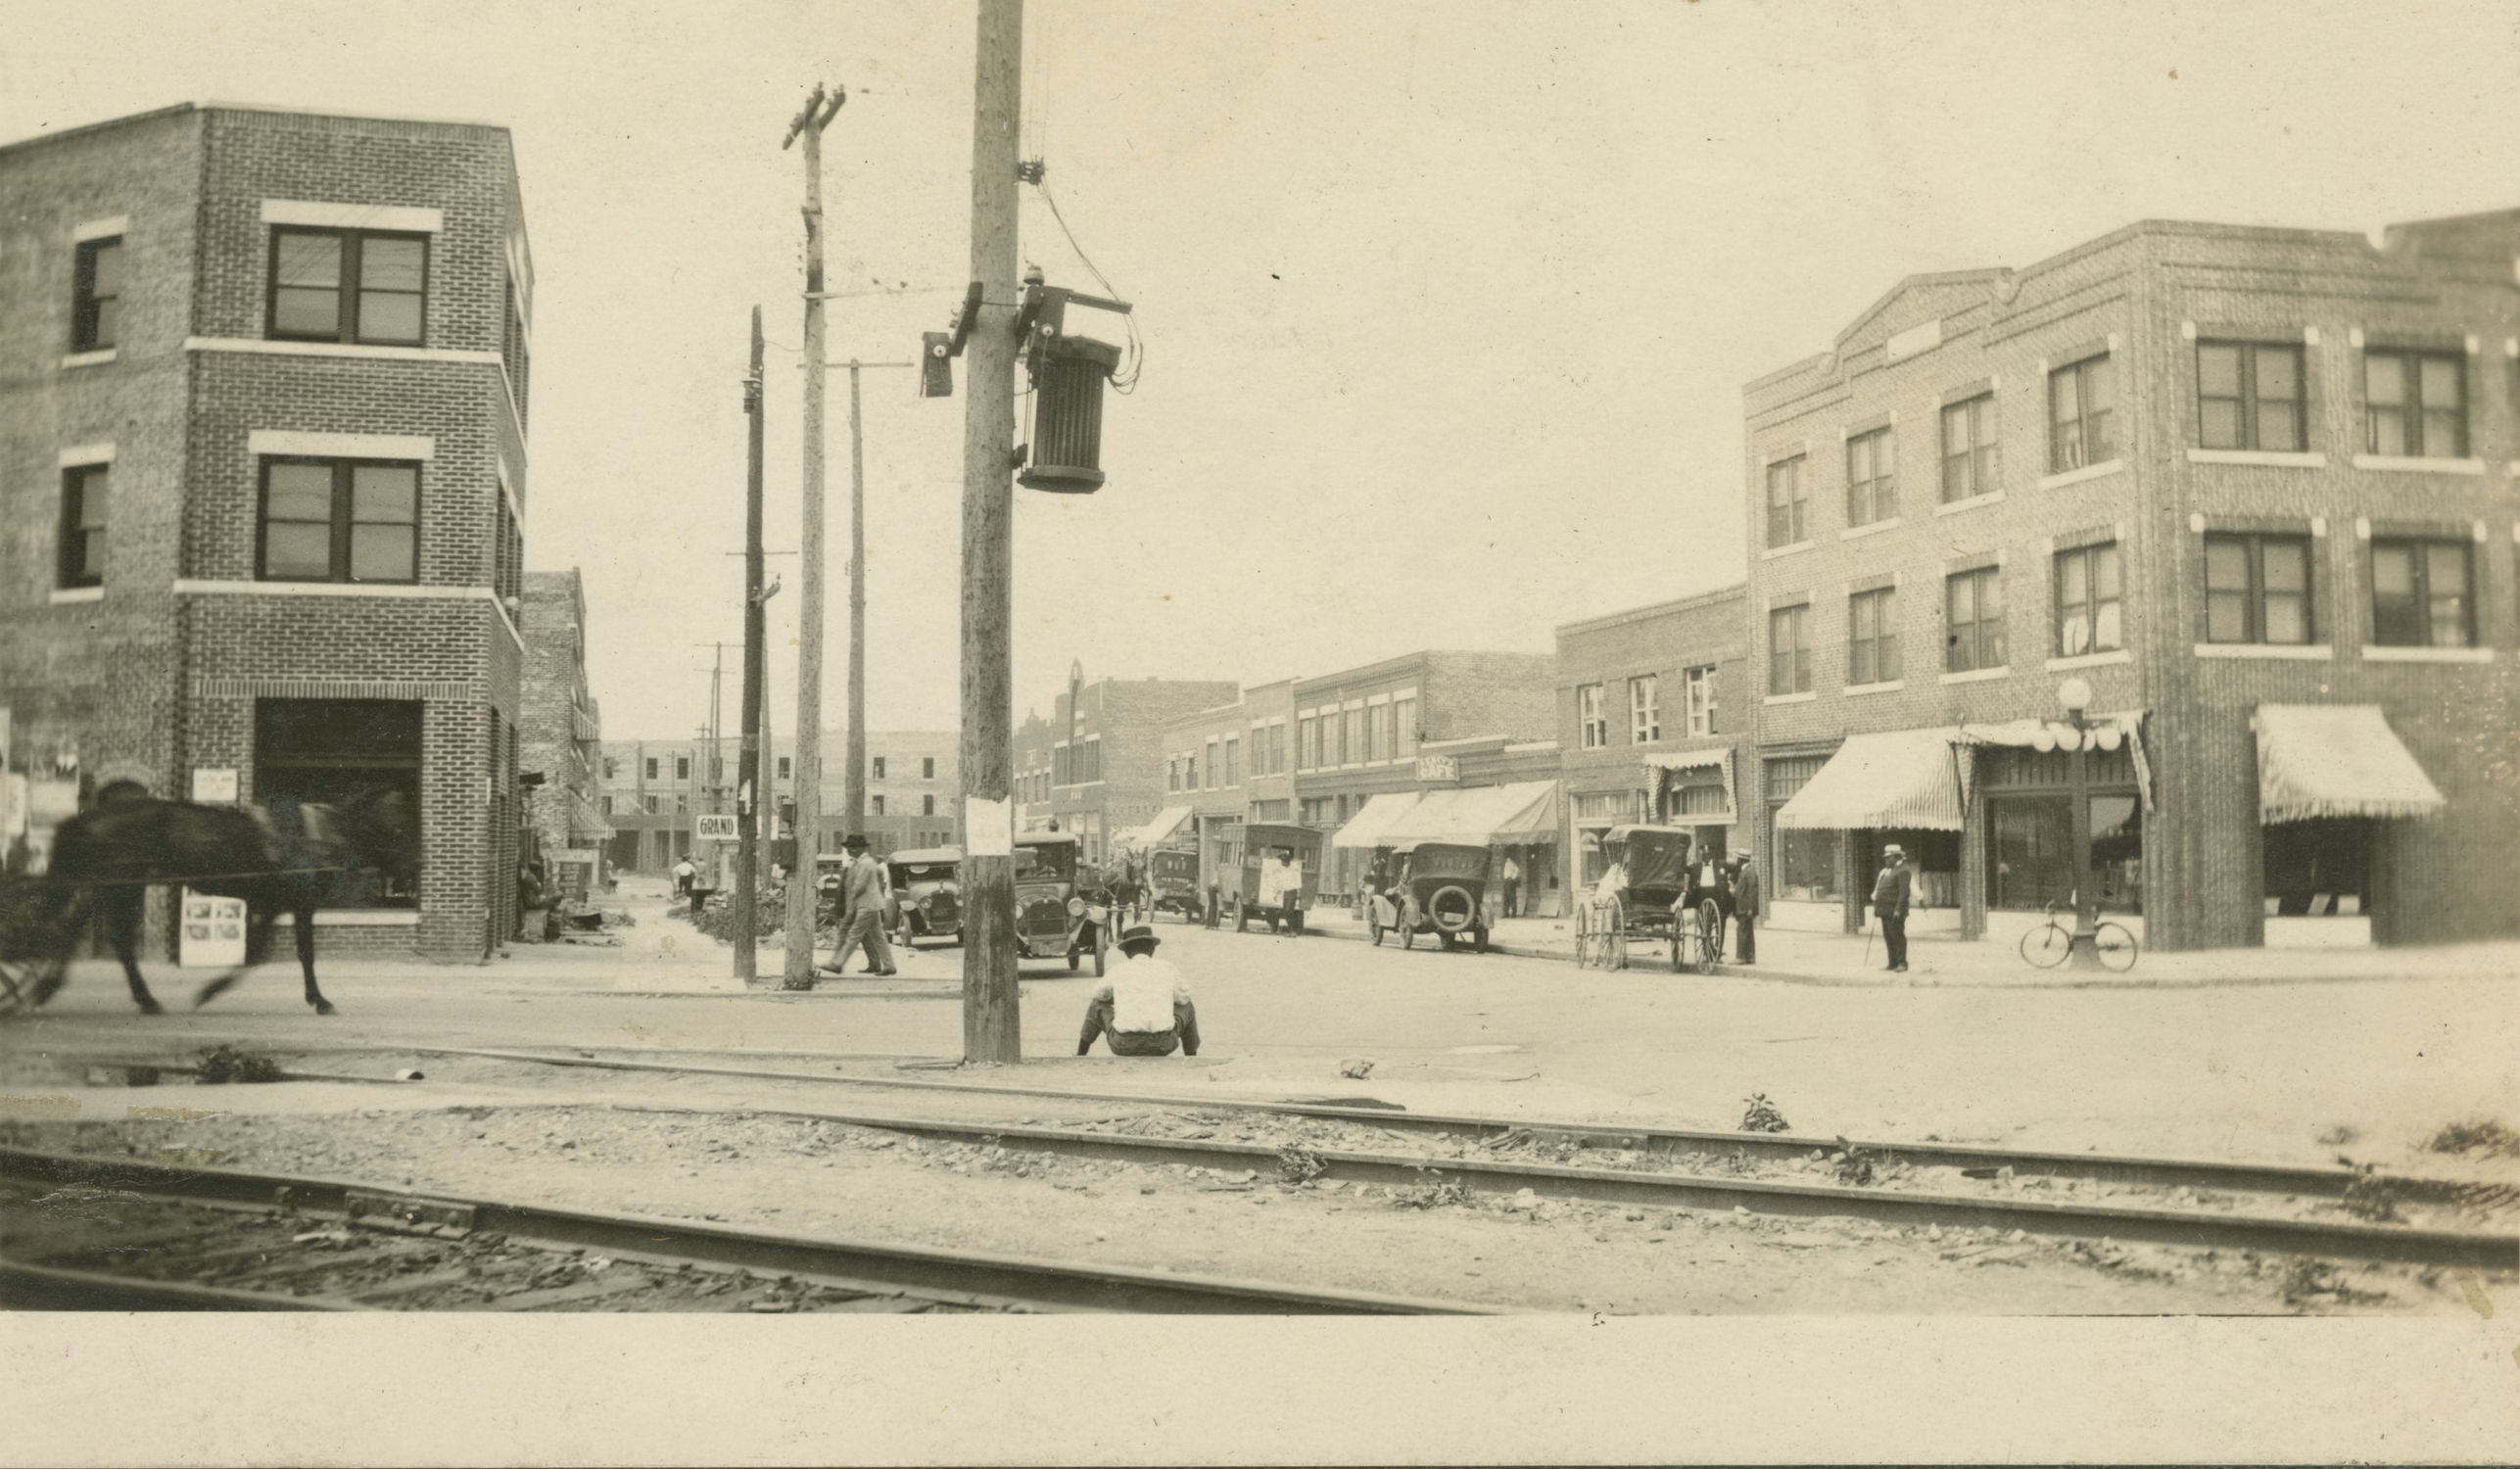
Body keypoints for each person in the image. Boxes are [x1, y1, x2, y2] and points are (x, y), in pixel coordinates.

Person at [1076, 924, 1201, 1057]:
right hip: (1164, 1044)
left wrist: (1117, 996)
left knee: (1097, 1004)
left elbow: (1099, 994)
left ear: (1127, 952)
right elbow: (1184, 997)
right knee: (1187, 1005)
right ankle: (1191, 1056)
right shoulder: (1167, 967)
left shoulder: (1118, 970)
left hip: (1124, 1045)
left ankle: (1080, 1054)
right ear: (1152, 950)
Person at [820, 834, 897, 977]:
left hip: (866, 905)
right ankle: (889, 965)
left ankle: (837, 964)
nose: (849, 850)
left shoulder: (866, 863)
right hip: (869, 904)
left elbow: (859, 885)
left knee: (854, 934)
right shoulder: (859, 863)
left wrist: (851, 901)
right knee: (878, 936)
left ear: (861, 848)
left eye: (853, 847)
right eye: (848, 847)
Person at [1871, 844, 1913, 973]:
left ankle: (1902, 963)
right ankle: (1892, 962)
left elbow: (1903, 893)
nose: (1886, 860)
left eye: (1889, 858)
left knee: (1897, 937)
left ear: (1896, 857)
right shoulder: (1887, 871)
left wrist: (1898, 910)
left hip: (1895, 911)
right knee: (1889, 937)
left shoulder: (1903, 870)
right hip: (1885, 911)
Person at [1257, 845, 1302, 934]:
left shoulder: (1294, 870)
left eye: (1284, 861)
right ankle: (1291, 931)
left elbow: (1298, 883)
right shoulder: (1282, 872)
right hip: (1285, 893)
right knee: (1286, 912)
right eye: (1282, 861)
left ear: (1288, 861)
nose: (1283, 863)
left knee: (1289, 911)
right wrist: (1276, 894)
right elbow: (1280, 884)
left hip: (1292, 892)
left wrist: (1299, 894)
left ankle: (1293, 931)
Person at [1731, 852, 1762, 964]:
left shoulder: (1749, 872)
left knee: (1742, 931)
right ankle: (1750, 956)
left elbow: (1753, 891)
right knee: (1748, 931)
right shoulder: (1745, 872)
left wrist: (1750, 908)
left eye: (1738, 859)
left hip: (1745, 908)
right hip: (1743, 907)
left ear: (1742, 860)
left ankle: (1741, 957)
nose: (1737, 862)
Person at [1499, 853, 1522, 918]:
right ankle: (1506, 913)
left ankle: (1513, 913)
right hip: (1506, 880)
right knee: (1506, 896)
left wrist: (1513, 878)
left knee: (1511, 896)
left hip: (1509, 881)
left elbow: (1517, 870)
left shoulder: (1510, 863)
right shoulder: (1506, 863)